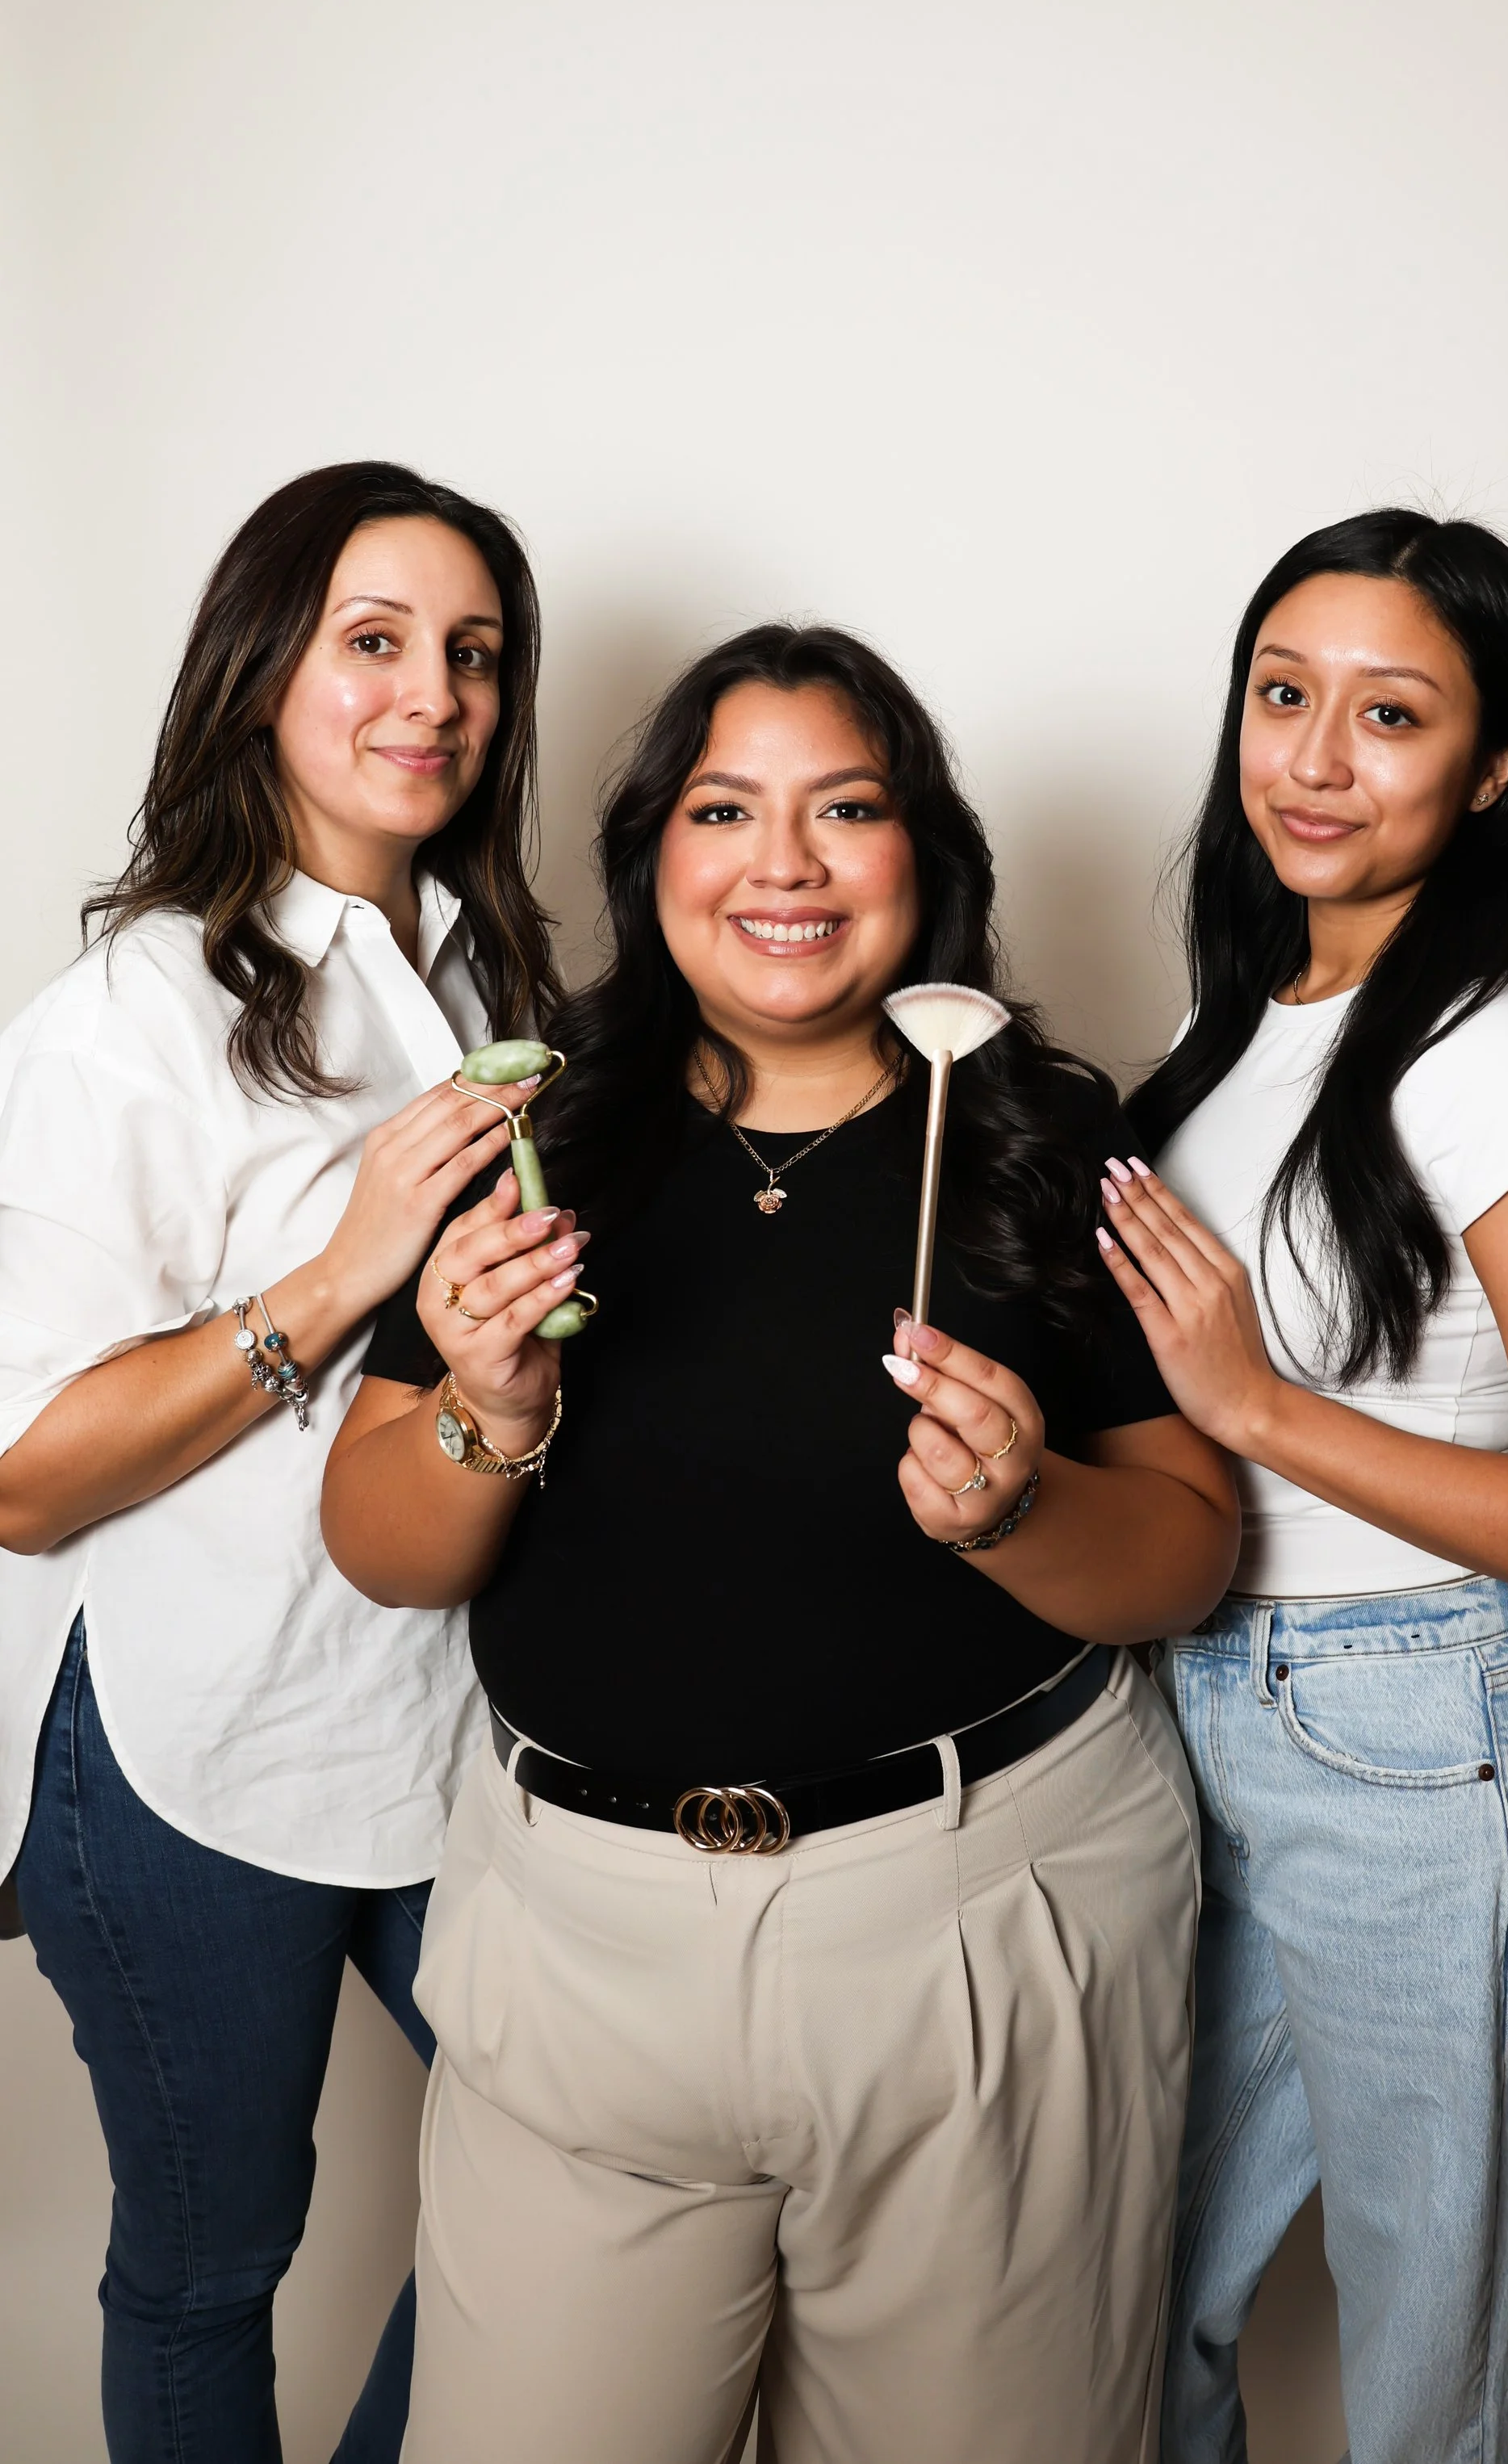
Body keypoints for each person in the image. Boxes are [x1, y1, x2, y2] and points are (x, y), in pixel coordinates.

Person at [321, 621, 1237, 2464]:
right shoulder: (541, 1138)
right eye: (726, 810)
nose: (785, 865)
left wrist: (1023, 1509)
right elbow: (384, 1545)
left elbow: (1189, 1554)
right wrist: (487, 1408)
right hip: (576, 1949)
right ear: (651, 853)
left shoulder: (1038, 1139)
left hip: (981, 1940)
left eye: (847, 809)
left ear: (927, 858)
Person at [1097, 512, 1508, 2464]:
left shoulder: (1498, 1049)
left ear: (1495, 763)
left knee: (1438, 2399)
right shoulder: (1224, 1046)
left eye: (1389, 714)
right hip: (1212, 1727)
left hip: (1439, 1745)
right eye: (1282, 697)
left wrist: (1259, 1410)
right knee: (1118, 2320)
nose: (1313, 758)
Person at [0, 462, 555, 2464]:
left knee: (565, 2186)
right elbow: (26, 1478)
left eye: (474, 656)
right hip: (181, 1748)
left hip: (436, 1715)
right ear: (261, 678)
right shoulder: (124, 1021)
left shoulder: (485, 986)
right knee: (210, 2264)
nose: (433, 695)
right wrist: (338, 1275)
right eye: (377, 642)